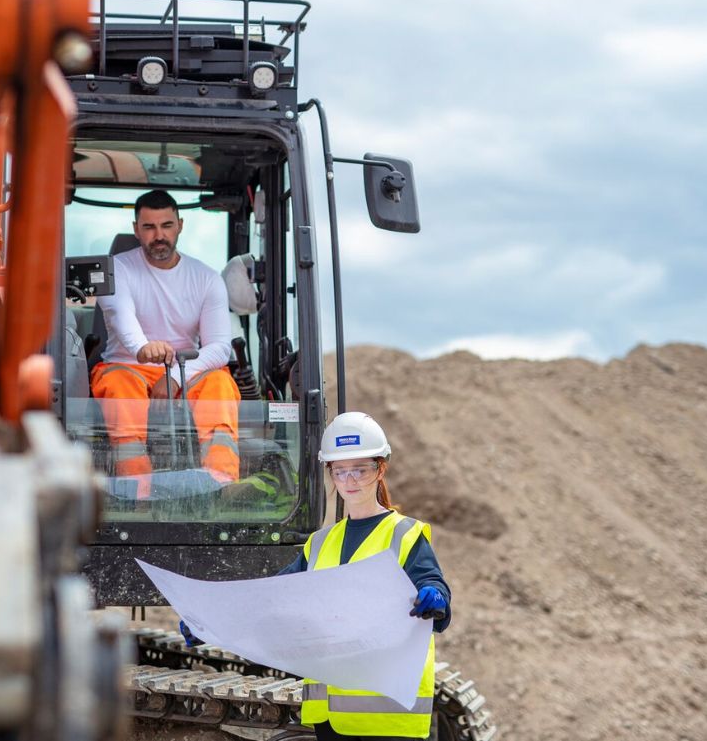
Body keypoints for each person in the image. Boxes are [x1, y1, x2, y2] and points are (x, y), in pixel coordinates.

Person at [179, 411, 450, 740]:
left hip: (390, 717)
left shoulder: (404, 534)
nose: (350, 481)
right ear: (331, 475)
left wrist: (434, 599)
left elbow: (435, 595)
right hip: (330, 720)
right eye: (341, 472)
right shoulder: (320, 543)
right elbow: (270, 600)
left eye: (360, 470)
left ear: (380, 470)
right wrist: (209, 622)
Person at [91, 189, 241, 495]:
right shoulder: (116, 269)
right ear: (136, 229)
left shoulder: (206, 278)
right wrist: (142, 349)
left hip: (187, 371)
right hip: (127, 366)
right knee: (119, 388)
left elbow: (219, 347)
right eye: (148, 227)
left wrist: (173, 377)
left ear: (180, 225)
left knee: (221, 385)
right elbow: (120, 313)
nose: (159, 235)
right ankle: (138, 490)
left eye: (166, 226)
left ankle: (222, 485)